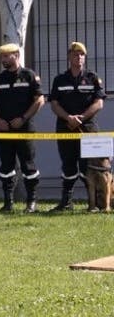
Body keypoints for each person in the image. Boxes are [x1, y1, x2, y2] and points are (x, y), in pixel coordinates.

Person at [0, 43, 44, 213]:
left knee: (28, 165)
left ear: (16, 55)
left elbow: (39, 100)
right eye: (2, 56)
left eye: (6, 56)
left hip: (25, 129)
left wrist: (23, 118)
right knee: (6, 167)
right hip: (4, 131)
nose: (3, 59)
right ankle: (8, 203)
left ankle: (31, 202)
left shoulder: (29, 75)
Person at [49, 41, 105, 212]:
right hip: (65, 127)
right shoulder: (59, 79)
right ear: (69, 57)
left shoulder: (92, 77)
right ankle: (66, 202)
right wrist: (68, 118)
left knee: (90, 166)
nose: (79, 57)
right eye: (75, 54)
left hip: (87, 128)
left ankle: (95, 204)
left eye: (81, 55)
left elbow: (99, 103)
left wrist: (81, 117)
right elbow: (54, 104)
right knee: (68, 165)